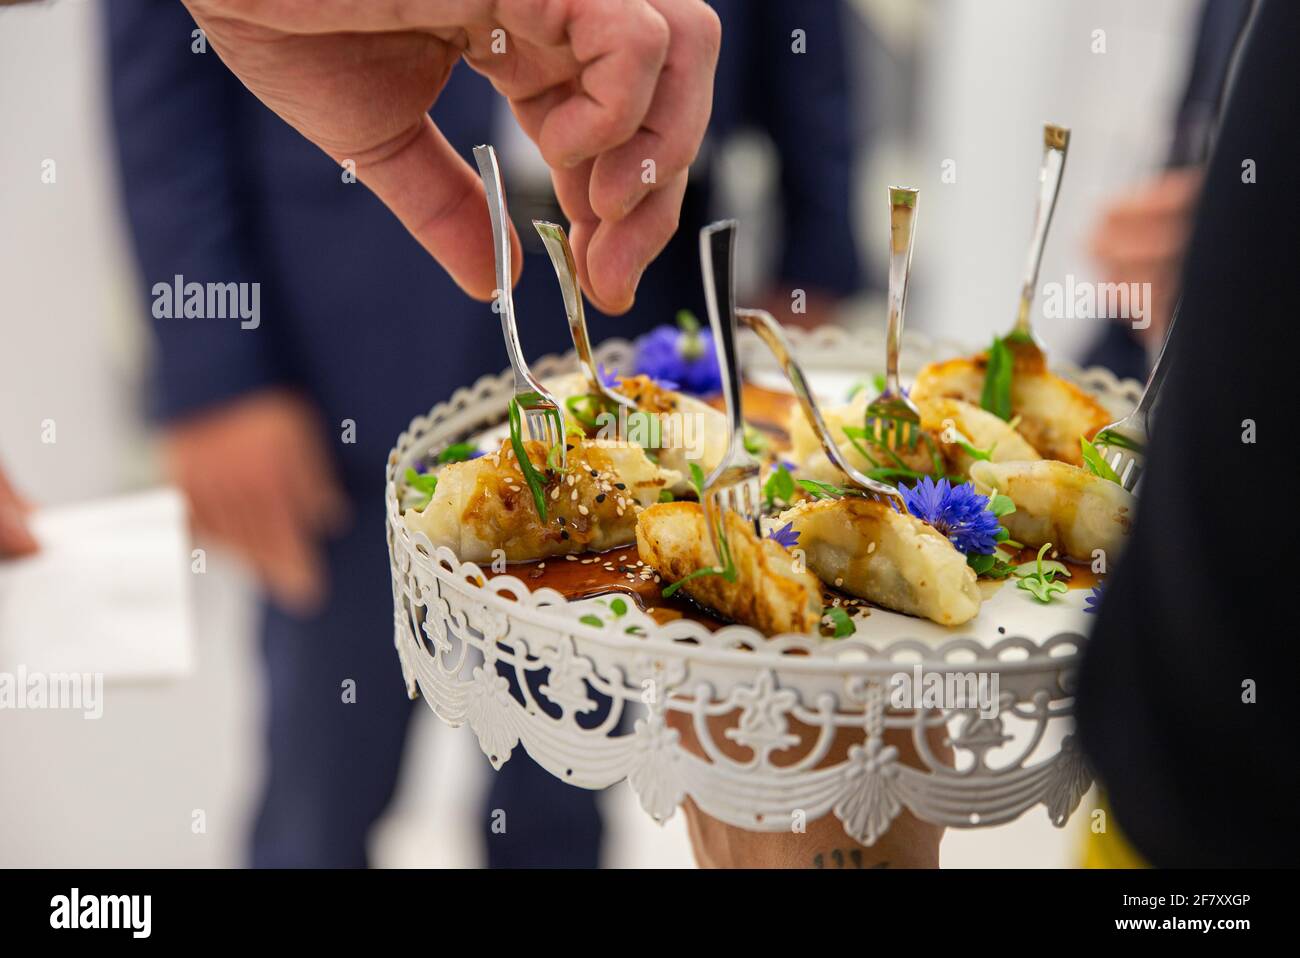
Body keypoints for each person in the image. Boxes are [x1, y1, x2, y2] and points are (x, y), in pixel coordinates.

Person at [105, 0, 862, 866]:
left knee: (565, 785)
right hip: (345, 332)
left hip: (626, 285)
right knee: (322, 784)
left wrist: (816, 256)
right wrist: (213, 374)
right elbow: (162, 49)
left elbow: (808, 34)